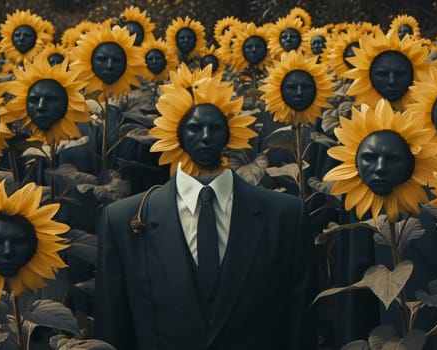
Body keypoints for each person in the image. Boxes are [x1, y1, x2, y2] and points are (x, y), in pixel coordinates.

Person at [94, 74, 315, 350]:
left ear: (230, 132)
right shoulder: (123, 221)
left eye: (215, 127)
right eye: (195, 127)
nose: (207, 137)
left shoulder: (285, 217)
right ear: (176, 133)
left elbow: (299, 326)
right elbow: (111, 330)